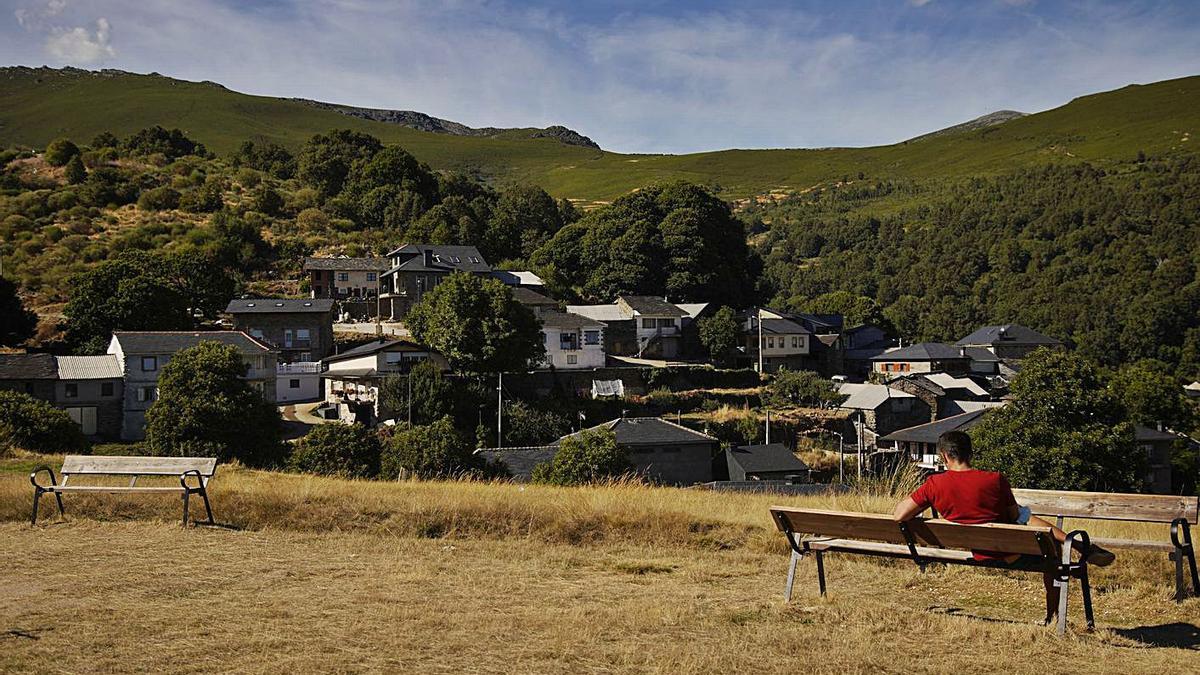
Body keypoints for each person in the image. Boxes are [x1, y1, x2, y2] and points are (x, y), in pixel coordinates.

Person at [892, 430, 1114, 624]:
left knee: (1026, 519)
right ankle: (1055, 609)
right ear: (970, 454)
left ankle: (1079, 546)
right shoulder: (994, 480)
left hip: (973, 549)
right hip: (1007, 552)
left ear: (944, 456)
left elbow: (900, 515)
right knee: (1051, 550)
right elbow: (1015, 516)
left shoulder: (933, 484)